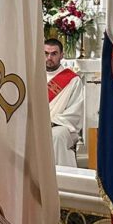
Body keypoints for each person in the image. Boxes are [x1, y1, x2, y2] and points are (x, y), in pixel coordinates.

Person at [44, 38, 84, 167]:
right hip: (35, 124)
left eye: (54, 54)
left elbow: (75, 111)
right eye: (46, 53)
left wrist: (52, 122)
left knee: (56, 136)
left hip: (61, 125)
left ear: (62, 55)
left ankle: (60, 180)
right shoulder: (34, 76)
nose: (49, 57)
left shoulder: (73, 80)